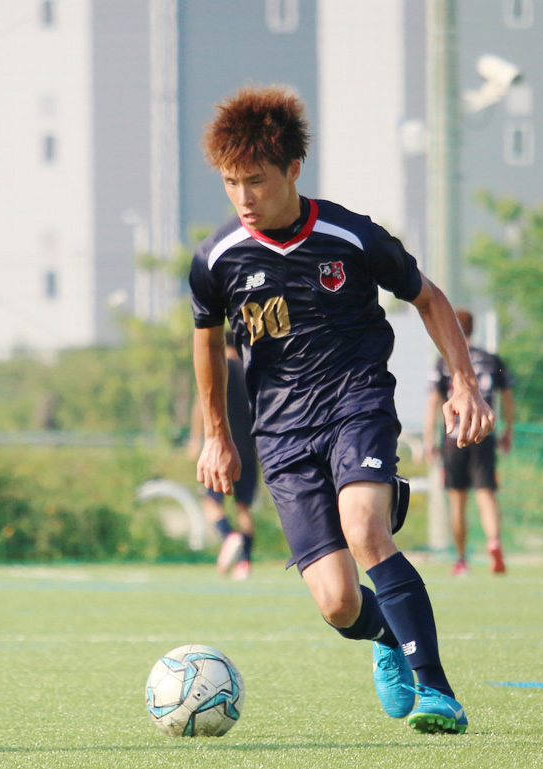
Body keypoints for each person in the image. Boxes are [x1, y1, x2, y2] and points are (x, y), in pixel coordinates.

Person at [189, 84, 494, 735]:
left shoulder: (350, 235)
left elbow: (429, 298)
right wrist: (217, 435)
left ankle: (437, 690)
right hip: (280, 434)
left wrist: (464, 383)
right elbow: (207, 343)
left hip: (356, 405)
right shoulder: (216, 258)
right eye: (230, 182)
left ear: (293, 169)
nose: (243, 196)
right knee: (336, 602)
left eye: (256, 180)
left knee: (365, 530)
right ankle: (387, 636)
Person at [424, 309, 515, 577]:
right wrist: (508, 430)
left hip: (454, 437)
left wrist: (429, 439)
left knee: (458, 500)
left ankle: (462, 560)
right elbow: (507, 399)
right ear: (473, 328)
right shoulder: (491, 360)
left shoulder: (444, 362)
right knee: (486, 494)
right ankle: (494, 541)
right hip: (483, 434)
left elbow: (433, 403)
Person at [188, 330, 258, 580]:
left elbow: (203, 403)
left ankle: (229, 536)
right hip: (249, 449)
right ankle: (244, 563)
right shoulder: (251, 371)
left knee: (210, 501)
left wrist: (196, 439)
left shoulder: (217, 367)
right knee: (243, 507)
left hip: (222, 448)